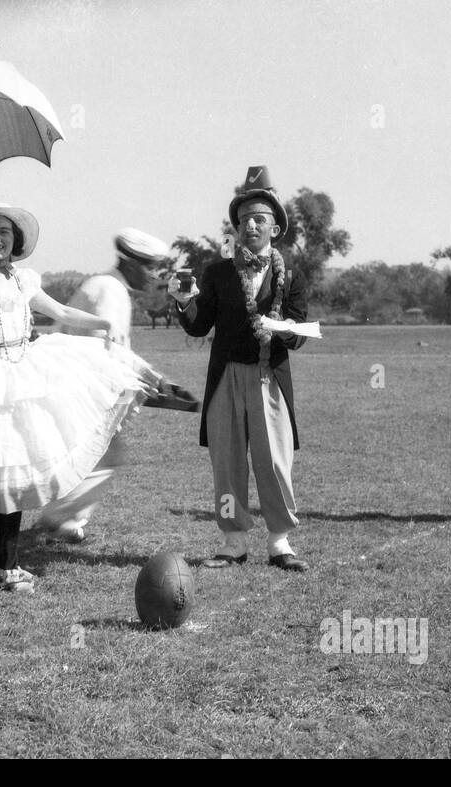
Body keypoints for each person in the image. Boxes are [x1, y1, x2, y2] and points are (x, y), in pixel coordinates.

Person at [0, 189, 152, 594]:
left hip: (23, 377)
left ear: (15, 240)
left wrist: (104, 325)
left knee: (14, 472)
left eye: (4, 232)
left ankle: (9, 564)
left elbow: (63, 313)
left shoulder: (25, 279)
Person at [170, 166, 310, 571]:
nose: (250, 224)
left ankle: (280, 542)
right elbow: (199, 324)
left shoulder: (292, 276)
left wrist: (280, 329)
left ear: (275, 229)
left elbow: (299, 332)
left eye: (259, 219)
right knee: (228, 460)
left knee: (274, 460)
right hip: (227, 376)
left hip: (270, 378)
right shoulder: (218, 272)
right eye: (244, 218)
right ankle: (233, 543)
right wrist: (184, 302)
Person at [38, 228, 199, 542]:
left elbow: (116, 350)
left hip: (81, 388)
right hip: (80, 389)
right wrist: (147, 382)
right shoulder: (109, 290)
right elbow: (103, 350)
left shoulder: (111, 287)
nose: (153, 276)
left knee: (97, 459)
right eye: (149, 268)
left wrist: (155, 379)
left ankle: (66, 521)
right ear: (131, 264)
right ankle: (56, 518)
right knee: (103, 458)